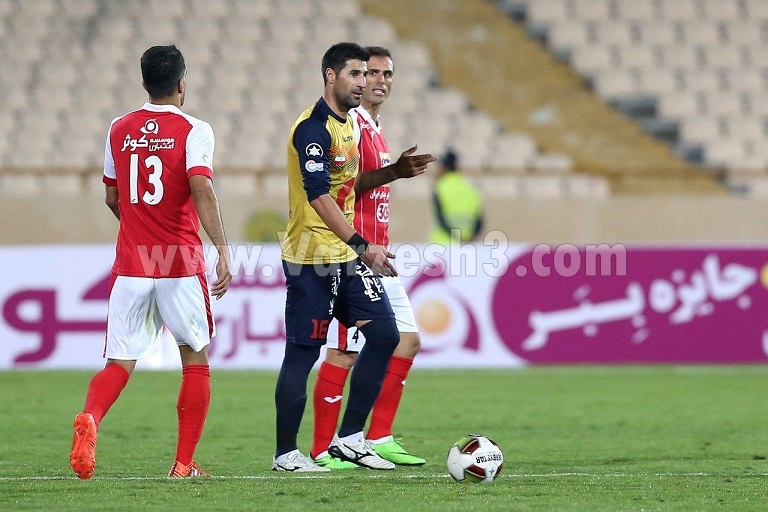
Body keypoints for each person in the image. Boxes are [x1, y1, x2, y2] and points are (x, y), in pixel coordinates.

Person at [68, 44, 232, 480]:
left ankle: (90, 417)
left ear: (143, 82)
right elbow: (202, 189)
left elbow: (111, 196)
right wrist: (222, 249)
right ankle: (183, 464)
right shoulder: (195, 130)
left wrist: (140, 228)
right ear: (182, 83)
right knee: (195, 358)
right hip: (179, 264)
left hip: (132, 263)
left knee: (119, 363)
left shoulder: (119, 127)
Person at [274, 42, 435, 472]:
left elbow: (349, 187)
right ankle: (286, 454)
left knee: (385, 335)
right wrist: (363, 245)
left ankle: (350, 438)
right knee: (303, 355)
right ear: (331, 76)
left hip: (343, 257)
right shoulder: (312, 128)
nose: (363, 82)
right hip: (312, 258)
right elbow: (318, 195)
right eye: (356, 74)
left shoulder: (348, 125)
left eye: (367, 73)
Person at [430, 149, 485, 244]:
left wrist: (457, 237)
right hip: (467, 245)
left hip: (443, 244)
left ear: (445, 167)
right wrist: (468, 239)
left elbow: (440, 219)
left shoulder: (440, 187)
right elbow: (479, 222)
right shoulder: (471, 187)